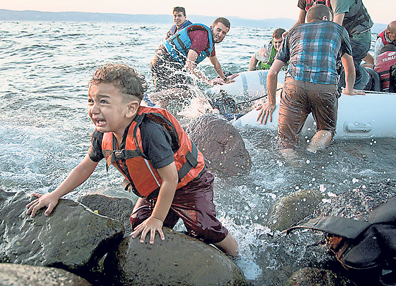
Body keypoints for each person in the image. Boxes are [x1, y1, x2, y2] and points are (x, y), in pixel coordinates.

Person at [26, 63, 238, 256]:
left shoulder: (149, 132)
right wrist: (55, 194)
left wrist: (157, 219)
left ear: (130, 108)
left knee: (204, 227)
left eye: (104, 102)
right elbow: (84, 167)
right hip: (157, 188)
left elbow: (171, 179)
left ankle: (236, 254)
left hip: (189, 185)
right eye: (91, 100)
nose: (94, 109)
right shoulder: (102, 135)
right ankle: (172, 242)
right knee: (138, 223)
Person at [256, 4, 363, 157]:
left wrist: (271, 102)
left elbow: (272, 73)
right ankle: (311, 152)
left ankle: (292, 160)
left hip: (294, 86)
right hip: (325, 87)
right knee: (326, 129)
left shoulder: (293, 32)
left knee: (285, 142)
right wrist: (349, 90)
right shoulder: (339, 30)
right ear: (326, 18)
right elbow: (350, 69)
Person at [313, 0, 373, 87]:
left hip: (359, 41)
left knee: (342, 68)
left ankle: (354, 83)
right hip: (355, 38)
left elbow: (336, 28)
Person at [150, 17, 234, 91]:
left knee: (164, 95)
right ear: (212, 28)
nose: (220, 34)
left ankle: (152, 102)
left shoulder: (209, 42)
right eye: (218, 30)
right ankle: (151, 98)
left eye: (224, 33)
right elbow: (189, 65)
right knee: (189, 92)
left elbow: (215, 63)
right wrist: (208, 81)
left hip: (159, 59)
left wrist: (225, 79)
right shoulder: (203, 37)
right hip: (165, 60)